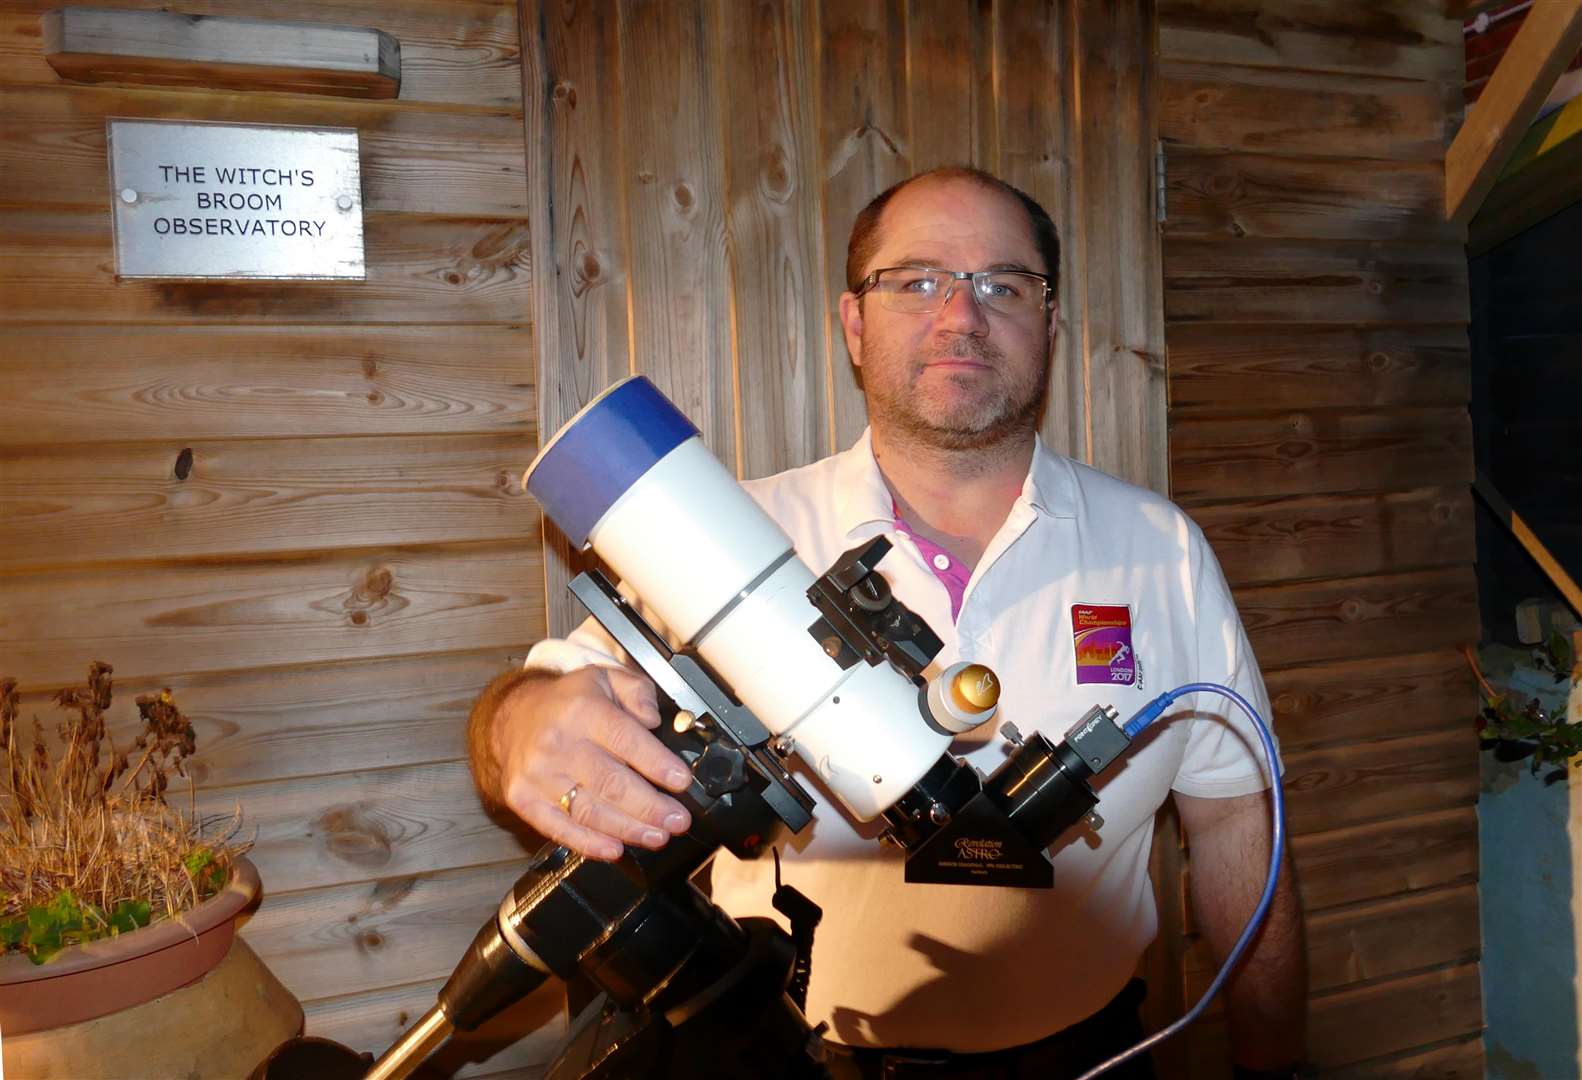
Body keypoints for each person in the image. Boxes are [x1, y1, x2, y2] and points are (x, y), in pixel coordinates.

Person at [467, 167, 1307, 1079]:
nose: (961, 314)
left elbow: (1233, 830)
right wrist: (524, 732)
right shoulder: (723, 538)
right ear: (854, 325)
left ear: (1051, 325)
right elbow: (532, 706)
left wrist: (1274, 1063)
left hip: (1094, 1056)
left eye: (1003, 283)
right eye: (916, 281)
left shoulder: (1159, 549)